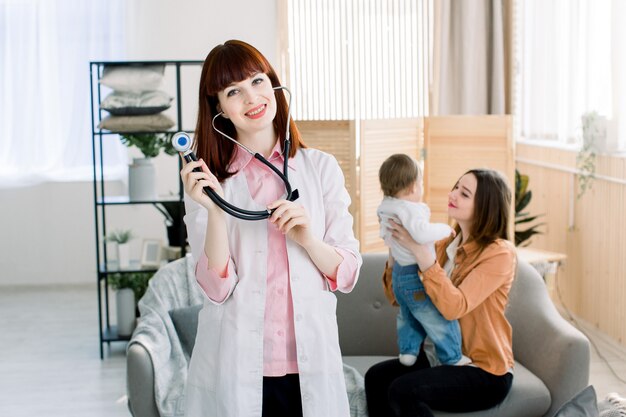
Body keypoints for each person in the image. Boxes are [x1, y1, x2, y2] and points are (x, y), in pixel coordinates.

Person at [179, 40, 362, 417]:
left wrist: (308, 239)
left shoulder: (321, 168)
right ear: (219, 109)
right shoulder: (211, 182)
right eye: (234, 91)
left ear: (275, 86)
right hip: (241, 363)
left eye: (258, 82)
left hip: (309, 362)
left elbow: (346, 273)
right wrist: (215, 211)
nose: (251, 98)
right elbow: (215, 289)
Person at [365, 168, 517, 417]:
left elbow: (454, 306)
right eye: (456, 187)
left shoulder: (499, 253)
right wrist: (397, 252)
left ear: (485, 206)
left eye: (464, 193)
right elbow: (397, 298)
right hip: (440, 357)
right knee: (376, 377)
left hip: (483, 369)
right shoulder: (444, 245)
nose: (453, 194)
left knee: (403, 391)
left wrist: (420, 254)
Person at [377, 154, 467, 368]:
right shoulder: (410, 209)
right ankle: (452, 356)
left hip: (399, 274)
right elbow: (421, 232)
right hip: (413, 275)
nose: (453, 194)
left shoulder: (385, 206)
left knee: (408, 316)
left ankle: (408, 352)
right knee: (435, 317)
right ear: (413, 188)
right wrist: (445, 229)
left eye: (463, 193)